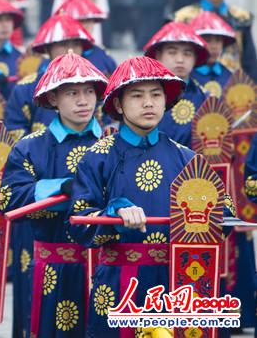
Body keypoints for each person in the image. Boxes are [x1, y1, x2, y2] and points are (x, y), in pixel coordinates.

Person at [68, 56, 231, 337]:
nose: (148, 103)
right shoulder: (98, 156)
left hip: (178, 284)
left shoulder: (187, 158)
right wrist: (113, 215)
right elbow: (79, 223)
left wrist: (208, 218)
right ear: (118, 104)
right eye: (138, 95)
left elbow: (224, 212)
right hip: (120, 284)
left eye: (156, 95)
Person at [0, 51, 107, 338]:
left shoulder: (114, 142)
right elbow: (9, 198)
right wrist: (59, 187)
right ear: (52, 99)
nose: (83, 100)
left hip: (107, 268)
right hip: (54, 269)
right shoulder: (30, 147)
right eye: (72, 93)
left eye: (89, 91)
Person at [5, 14, 95, 140]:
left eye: (75, 44)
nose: (70, 50)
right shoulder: (26, 87)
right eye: (63, 44)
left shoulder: (95, 84)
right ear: (48, 49)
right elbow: (14, 129)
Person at [173, 0, 257, 81]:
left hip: (233, 87)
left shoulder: (240, 17)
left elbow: (249, 60)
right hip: (195, 85)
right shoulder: (185, 17)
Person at [143, 22, 208, 147]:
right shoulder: (142, 95)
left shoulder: (206, 99)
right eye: (172, 52)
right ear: (158, 55)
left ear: (195, 58)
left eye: (187, 53)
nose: (180, 60)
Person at [54, 0, 118, 75]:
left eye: (88, 20)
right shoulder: (53, 54)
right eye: (80, 21)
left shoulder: (103, 55)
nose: (85, 25)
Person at [189, 11, 236, 97]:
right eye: (208, 40)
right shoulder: (186, 75)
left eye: (218, 40)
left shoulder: (230, 76)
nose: (214, 46)